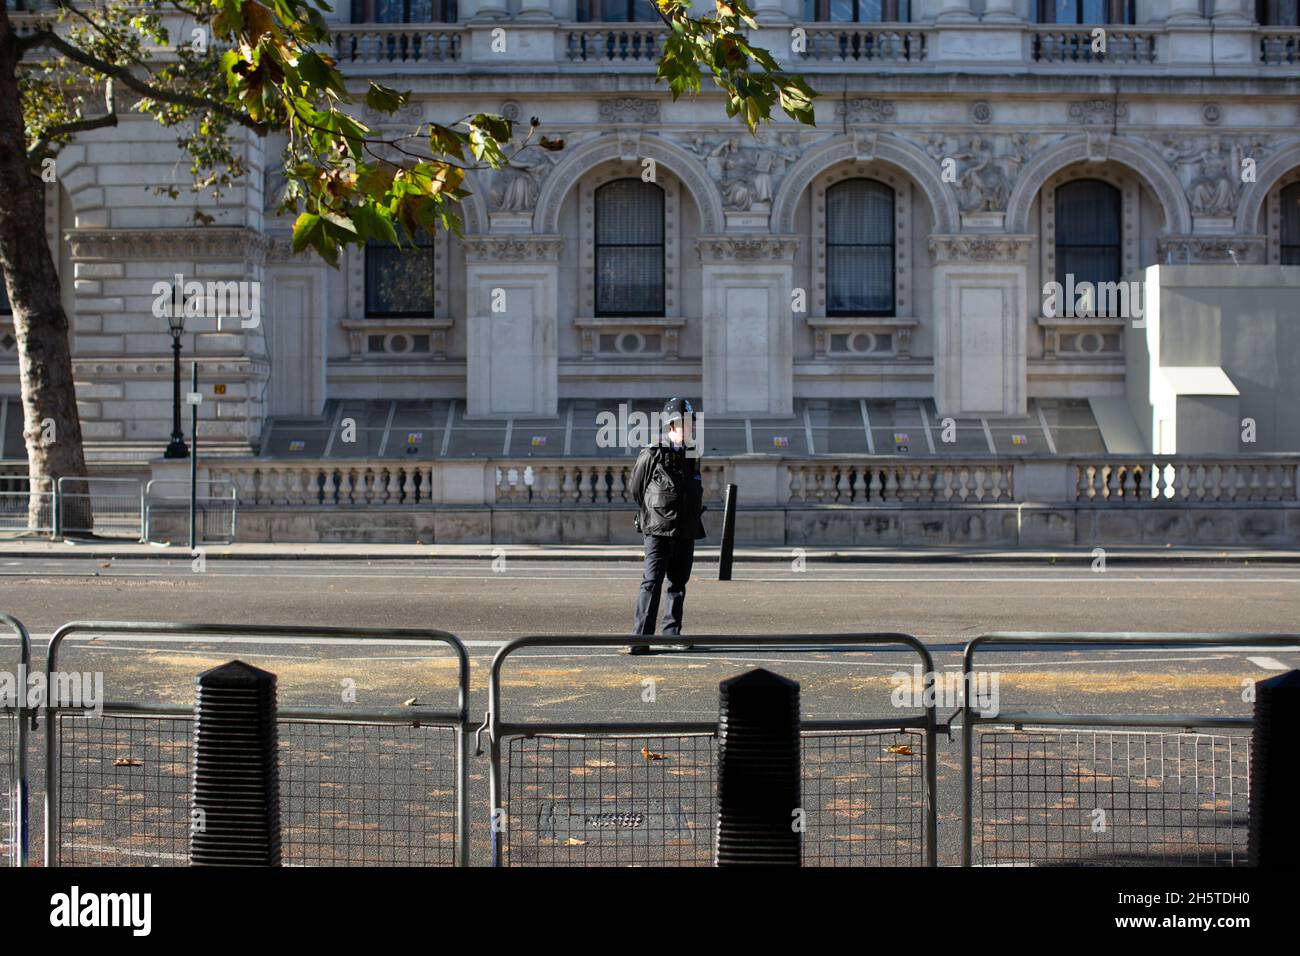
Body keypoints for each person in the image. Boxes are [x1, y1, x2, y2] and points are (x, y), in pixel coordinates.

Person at [627, 397, 706, 654]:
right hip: (659, 529)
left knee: (678, 584)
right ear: (672, 426)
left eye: (692, 423)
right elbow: (636, 488)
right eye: (686, 423)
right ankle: (640, 639)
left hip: (685, 529)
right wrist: (654, 513)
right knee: (651, 582)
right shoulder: (653, 452)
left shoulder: (693, 455)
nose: (691, 428)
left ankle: (671, 633)